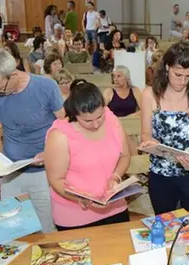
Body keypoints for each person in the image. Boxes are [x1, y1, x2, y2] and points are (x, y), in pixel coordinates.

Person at [0, 48, 65, 233]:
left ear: (13, 74)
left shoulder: (46, 87)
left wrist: (51, 153)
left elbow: (65, 124)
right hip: (12, 172)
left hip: (45, 172)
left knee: (47, 229)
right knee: (13, 231)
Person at [139, 42, 189, 213]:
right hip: (161, 174)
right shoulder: (150, 94)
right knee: (164, 225)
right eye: (178, 74)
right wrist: (149, 142)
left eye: (188, 76)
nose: (182, 81)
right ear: (167, 67)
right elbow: (145, 134)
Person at [44, 80, 131, 230]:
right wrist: (78, 197)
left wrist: (115, 177)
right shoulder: (60, 136)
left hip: (114, 207)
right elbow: (56, 179)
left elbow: (125, 156)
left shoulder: (112, 119)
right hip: (75, 214)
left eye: (99, 117)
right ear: (75, 115)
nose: (96, 124)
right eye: (88, 120)